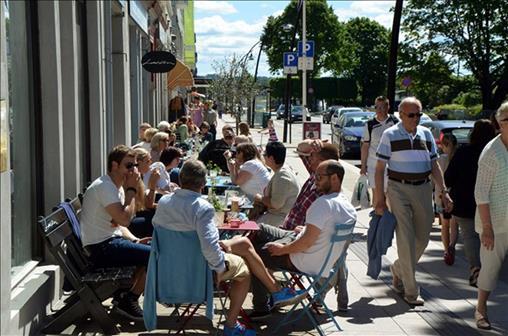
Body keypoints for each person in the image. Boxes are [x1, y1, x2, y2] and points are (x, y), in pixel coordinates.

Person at [152, 160, 305, 335]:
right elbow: (209, 250)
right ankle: (232, 324)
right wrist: (220, 267)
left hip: (170, 267)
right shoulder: (202, 208)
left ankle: (276, 290)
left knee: (243, 242)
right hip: (199, 269)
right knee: (243, 270)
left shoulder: (164, 202)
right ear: (203, 183)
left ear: (180, 179)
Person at [224, 160, 357, 319]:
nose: (315, 181)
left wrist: (283, 249)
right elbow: (318, 235)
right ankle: (267, 289)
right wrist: (305, 231)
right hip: (316, 257)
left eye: (319, 177)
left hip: (301, 258)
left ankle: (262, 306)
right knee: (260, 229)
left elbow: (306, 243)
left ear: (335, 178)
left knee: (252, 254)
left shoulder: (323, 204)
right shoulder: (347, 206)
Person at [374, 96, 453, 306]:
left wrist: (443, 191)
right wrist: (379, 198)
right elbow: (380, 168)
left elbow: (435, 165)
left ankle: (398, 268)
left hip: (423, 189)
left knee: (423, 238)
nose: (416, 118)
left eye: (419, 114)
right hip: (398, 188)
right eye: (411, 115)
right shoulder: (389, 135)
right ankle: (411, 290)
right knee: (406, 239)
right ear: (401, 115)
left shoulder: (426, 134)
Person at [80, 145, 151, 320]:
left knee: (150, 248)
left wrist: (134, 240)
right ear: (114, 166)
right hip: (100, 248)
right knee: (154, 255)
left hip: (110, 241)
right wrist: (131, 190)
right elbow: (125, 219)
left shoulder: (117, 186)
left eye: (134, 165)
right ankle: (129, 299)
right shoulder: (105, 187)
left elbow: (122, 223)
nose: (133, 170)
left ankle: (125, 296)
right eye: (128, 166)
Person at [445, 120, 496, 286]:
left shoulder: (463, 152)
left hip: (463, 201)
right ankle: (488, 268)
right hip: (490, 202)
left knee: (469, 236)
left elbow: (448, 177)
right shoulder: (496, 153)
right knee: (488, 236)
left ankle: (476, 269)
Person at [473, 102, 508, 330]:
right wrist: (487, 227)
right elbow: (481, 193)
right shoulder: (491, 152)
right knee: (491, 268)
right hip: (494, 223)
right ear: (499, 124)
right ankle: (480, 308)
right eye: (507, 121)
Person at [360, 96, 398, 206]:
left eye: (383, 107)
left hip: (391, 165)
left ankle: (388, 219)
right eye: (378, 107)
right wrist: (363, 166)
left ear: (388, 107)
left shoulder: (395, 122)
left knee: (389, 194)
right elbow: (365, 146)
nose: (380, 110)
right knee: (376, 194)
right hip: (373, 165)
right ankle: (377, 218)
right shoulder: (370, 124)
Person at [253, 142, 300, 226]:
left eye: (264, 155)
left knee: (246, 230)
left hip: (278, 220)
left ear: (271, 158)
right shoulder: (283, 170)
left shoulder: (282, 176)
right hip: (276, 216)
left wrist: (260, 198)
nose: (263, 157)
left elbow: (276, 204)